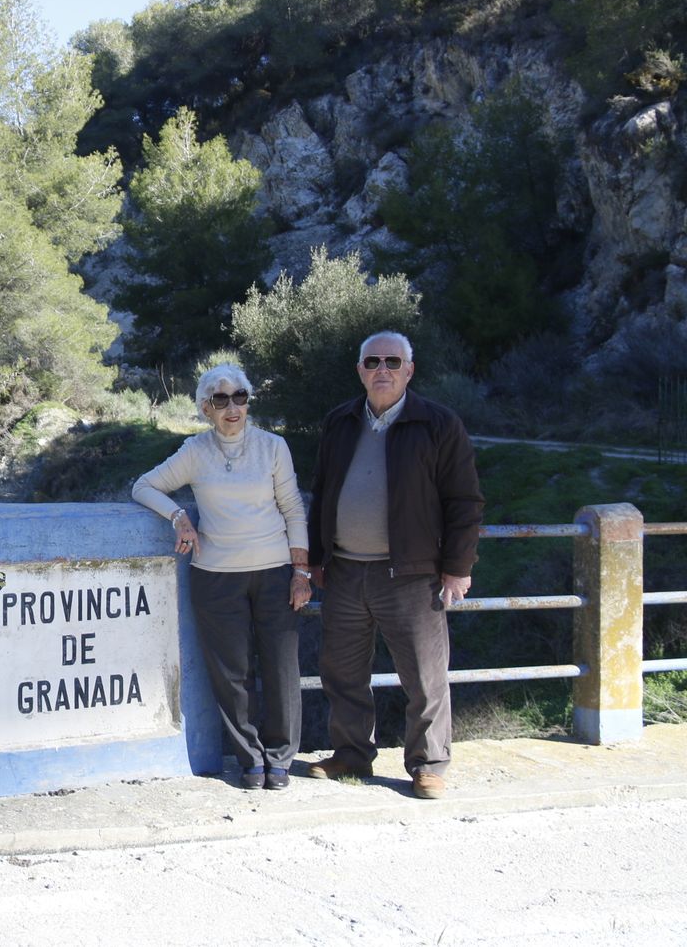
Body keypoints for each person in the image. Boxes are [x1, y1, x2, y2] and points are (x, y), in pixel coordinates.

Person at [306, 331, 483, 800]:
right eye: (372, 362)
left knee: (424, 676)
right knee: (342, 672)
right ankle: (351, 754)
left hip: (410, 574)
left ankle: (428, 765)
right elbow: (322, 492)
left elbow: (465, 501)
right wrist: (317, 558)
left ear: (409, 370)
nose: (382, 369)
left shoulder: (438, 423)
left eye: (392, 361)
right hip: (344, 572)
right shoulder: (340, 421)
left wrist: (458, 566)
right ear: (360, 371)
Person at [132, 364, 312, 791]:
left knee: (281, 668)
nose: (232, 408)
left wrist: (301, 572)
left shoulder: (273, 447)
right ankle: (251, 760)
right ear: (206, 408)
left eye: (240, 397)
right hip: (215, 576)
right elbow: (144, 486)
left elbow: (293, 510)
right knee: (232, 674)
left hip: (274, 573)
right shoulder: (195, 451)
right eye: (221, 399)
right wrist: (178, 516)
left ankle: (280, 760)